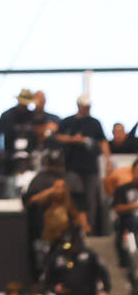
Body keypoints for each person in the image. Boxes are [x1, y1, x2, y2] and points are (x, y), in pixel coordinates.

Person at [55, 98, 110, 234]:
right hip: (72, 167)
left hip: (91, 168)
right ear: (79, 105)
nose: (87, 108)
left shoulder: (94, 123)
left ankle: (88, 229)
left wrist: (108, 160)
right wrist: (73, 139)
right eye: (85, 106)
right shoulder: (68, 121)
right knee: (75, 196)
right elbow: (57, 137)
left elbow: (102, 141)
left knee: (91, 199)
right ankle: (74, 227)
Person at [43, 231, 109, 295]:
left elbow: (103, 273)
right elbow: (48, 280)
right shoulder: (57, 257)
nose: (71, 248)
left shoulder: (89, 255)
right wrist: (55, 288)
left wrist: (105, 290)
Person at [0, 90, 36, 170]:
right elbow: (0, 134)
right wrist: (1, 149)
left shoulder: (32, 116)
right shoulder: (7, 115)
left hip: (27, 155)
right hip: (10, 153)